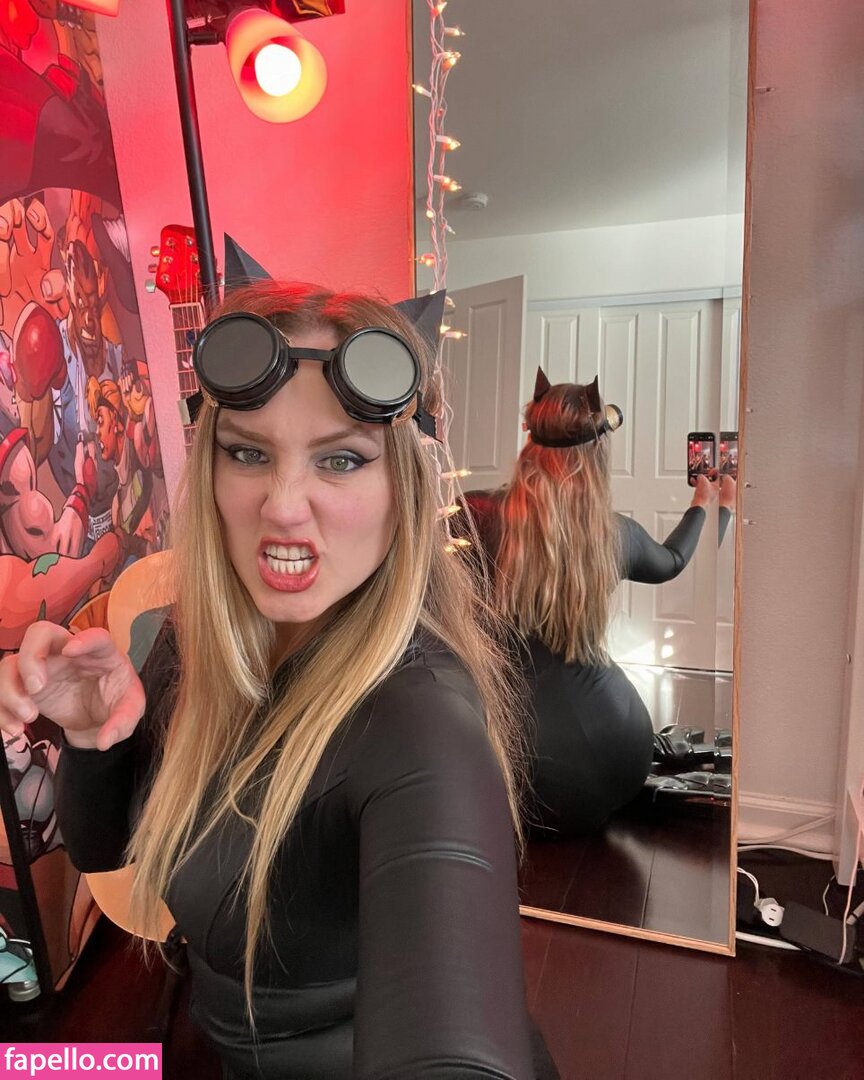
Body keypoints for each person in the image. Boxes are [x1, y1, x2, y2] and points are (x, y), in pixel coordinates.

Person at [0, 282, 559, 1080]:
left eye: (342, 458)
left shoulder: (422, 723)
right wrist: (93, 737)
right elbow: (103, 848)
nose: (284, 506)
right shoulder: (197, 640)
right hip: (203, 1041)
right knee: (25, 1067)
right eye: (249, 452)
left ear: (403, 488)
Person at [459, 369, 723, 838]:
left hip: (516, 772)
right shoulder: (615, 534)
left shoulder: (474, 514)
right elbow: (673, 560)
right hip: (621, 752)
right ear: (597, 456)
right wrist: (708, 503)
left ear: (528, 439)